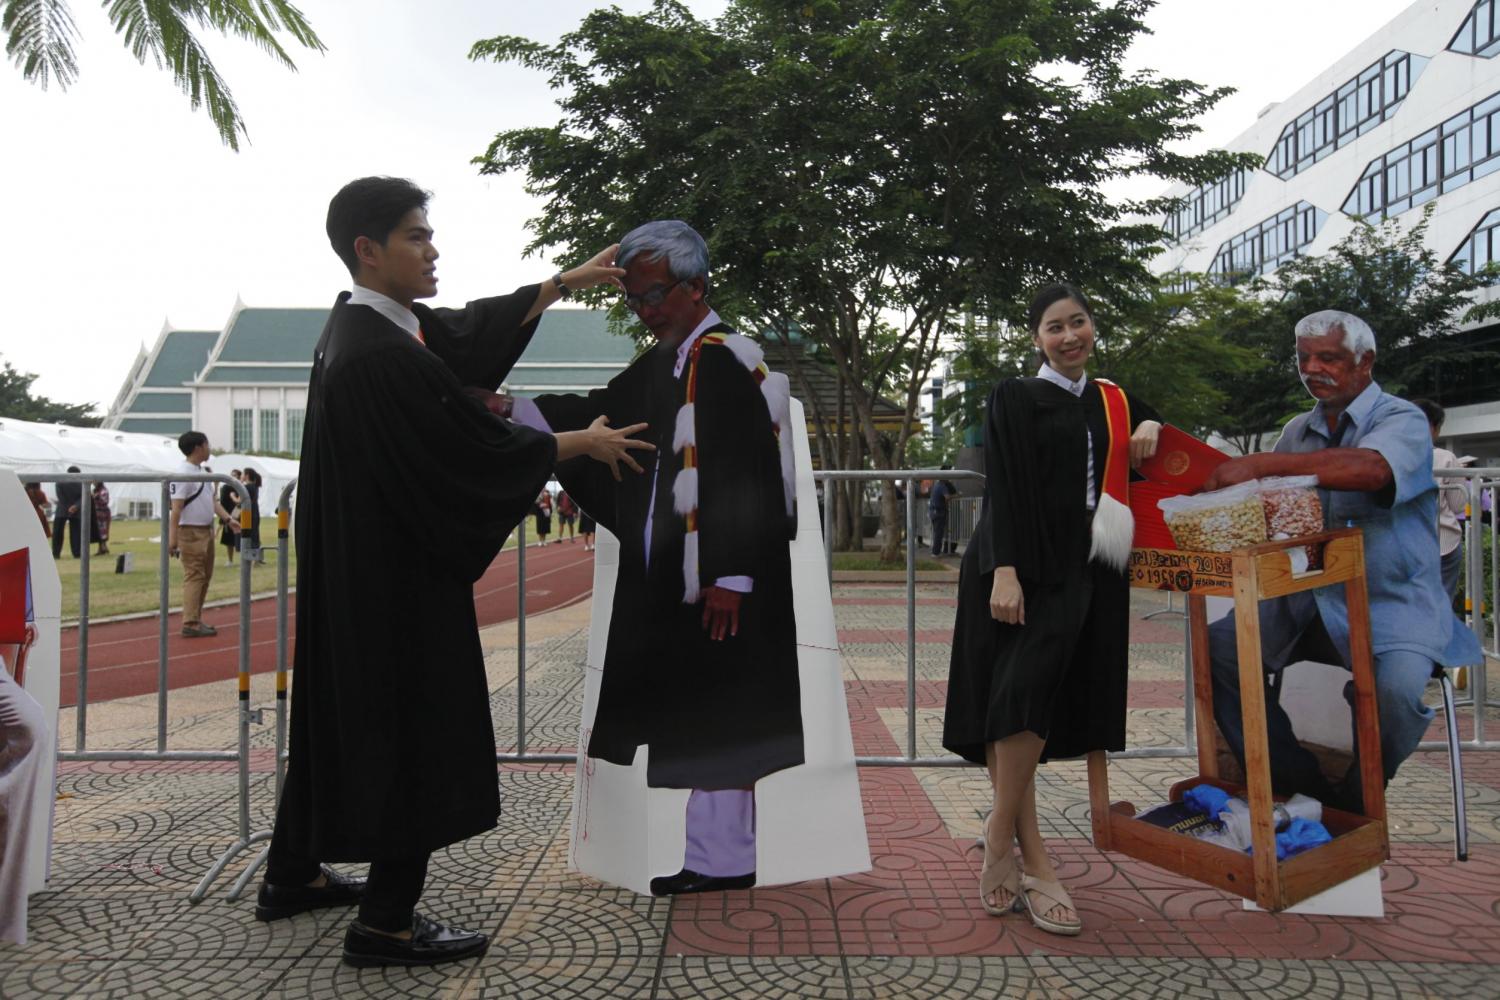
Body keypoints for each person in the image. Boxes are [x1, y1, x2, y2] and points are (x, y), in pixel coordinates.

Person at [256, 176, 651, 969]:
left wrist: (564, 281)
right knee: (414, 734)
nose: (432, 250)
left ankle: (291, 875)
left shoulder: (368, 329)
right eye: (414, 237)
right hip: (398, 586)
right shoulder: (377, 357)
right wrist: (581, 444)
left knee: (336, 719)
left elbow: (466, 334)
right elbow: (468, 446)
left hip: (357, 576)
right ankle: (386, 924)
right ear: (367, 251)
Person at [528, 220, 802, 897]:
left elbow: (748, 476)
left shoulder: (726, 360)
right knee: (703, 708)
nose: (645, 312)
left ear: (697, 287)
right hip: (681, 580)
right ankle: (715, 858)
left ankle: (721, 860)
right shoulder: (668, 364)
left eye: (654, 295)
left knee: (722, 711)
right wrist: (515, 412)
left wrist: (731, 577)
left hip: (721, 580)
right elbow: (601, 416)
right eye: (635, 301)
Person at [942, 283, 1161, 936]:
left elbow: (1158, 436)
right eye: (1054, 327)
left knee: (1030, 701)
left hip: (1086, 570)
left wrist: (1152, 425)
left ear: (1093, 327)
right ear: (1035, 338)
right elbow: (1002, 483)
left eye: (1079, 323)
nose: (1069, 337)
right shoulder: (1016, 396)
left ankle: (1001, 833)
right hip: (1015, 566)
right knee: (1016, 698)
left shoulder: (1113, 400)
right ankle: (1026, 854)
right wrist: (1004, 571)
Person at [1201, 311, 1485, 814]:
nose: (1313, 368)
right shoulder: (1298, 430)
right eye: (1304, 357)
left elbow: (1372, 469)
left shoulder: (1403, 419)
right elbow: (1273, 508)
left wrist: (1261, 463)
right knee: (1219, 647)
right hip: (1307, 602)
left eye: (1327, 357)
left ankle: (1357, 801)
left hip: (1390, 604)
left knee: (1397, 692)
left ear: (1364, 361)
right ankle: (1297, 785)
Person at [168, 433, 239, 638]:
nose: (210, 448)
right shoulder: (182, 473)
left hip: (206, 530)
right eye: (207, 444)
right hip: (189, 531)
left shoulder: (203, 472)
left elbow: (213, 501)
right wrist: (173, 539)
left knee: (204, 577)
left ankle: (195, 619)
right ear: (198, 447)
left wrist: (227, 519)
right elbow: (176, 509)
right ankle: (190, 622)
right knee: (195, 576)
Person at [1411, 398, 1468, 600]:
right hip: (1443, 543)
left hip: (1403, 545)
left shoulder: (1386, 458)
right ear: (1435, 428)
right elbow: (1458, 504)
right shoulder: (1445, 458)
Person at [51, 467, 82, 559]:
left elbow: (60, 496)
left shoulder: (60, 481)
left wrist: (68, 506)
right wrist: (76, 506)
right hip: (76, 511)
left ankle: (56, 553)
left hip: (62, 509)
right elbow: (84, 495)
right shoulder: (81, 483)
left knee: (57, 533)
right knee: (76, 533)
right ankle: (77, 553)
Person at [929, 471, 955, 557]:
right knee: (938, 533)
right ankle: (935, 552)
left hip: (933, 512)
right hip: (939, 512)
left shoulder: (936, 485)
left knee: (937, 532)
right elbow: (947, 497)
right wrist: (957, 496)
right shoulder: (942, 486)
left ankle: (936, 551)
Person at [242, 468, 264, 564]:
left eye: (243, 474)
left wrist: (232, 496)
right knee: (255, 534)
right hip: (255, 512)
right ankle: (257, 558)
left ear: (247, 475)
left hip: (248, 514)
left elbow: (239, 500)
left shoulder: (246, 487)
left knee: (249, 535)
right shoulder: (255, 486)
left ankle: (254, 559)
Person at [219, 470, 242, 566]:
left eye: (235, 475)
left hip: (240, 516)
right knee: (229, 540)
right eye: (232, 475)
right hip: (228, 516)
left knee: (243, 539)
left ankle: (243, 560)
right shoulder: (225, 488)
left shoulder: (241, 488)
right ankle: (230, 560)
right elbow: (222, 503)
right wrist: (223, 519)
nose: (233, 477)